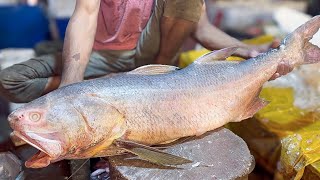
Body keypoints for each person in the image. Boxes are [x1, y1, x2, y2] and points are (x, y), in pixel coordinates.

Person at [0, 0, 292, 103]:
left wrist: (250, 50)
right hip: (105, 57)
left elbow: (202, 30)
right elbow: (85, 16)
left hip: (157, 61)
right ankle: (116, 84)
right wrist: (70, 87)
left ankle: (155, 83)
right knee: (11, 80)